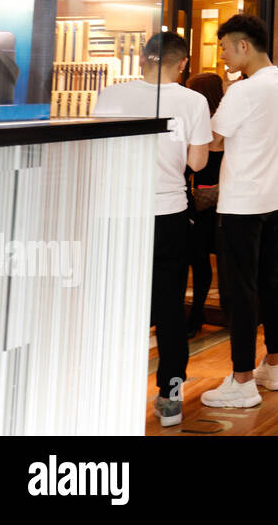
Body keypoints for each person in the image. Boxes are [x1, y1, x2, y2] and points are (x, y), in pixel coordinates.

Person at [94, 33, 211, 428]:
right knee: (169, 307)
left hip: (117, 213)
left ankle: (112, 390)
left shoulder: (109, 95)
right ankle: (170, 396)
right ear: (183, 63)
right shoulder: (193, 101)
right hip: (168, 212)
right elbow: (196, 163)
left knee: (118, 304)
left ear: (143, 57)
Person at [200, 14, 278, 409]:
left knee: (239, 292)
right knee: (272, 281)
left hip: (241, 203)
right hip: (275, 198)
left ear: (244, 46)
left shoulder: (243, 91)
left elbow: (213, 141)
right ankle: (275, 365)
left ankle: (242, 379)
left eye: (224, 46)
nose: (221, 53)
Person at [184, 72, 224, 339]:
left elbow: (191, 164)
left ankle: (195, 314)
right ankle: (203, 312)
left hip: (198, 200)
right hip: (223, 200)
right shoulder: (223, 121)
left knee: (197, 261)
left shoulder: (198, 122)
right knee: (215, 261)